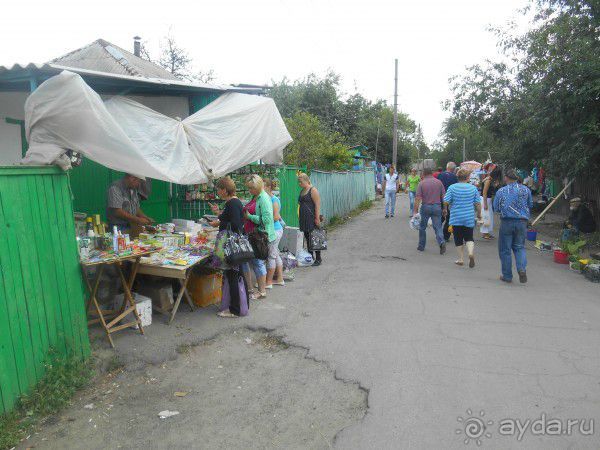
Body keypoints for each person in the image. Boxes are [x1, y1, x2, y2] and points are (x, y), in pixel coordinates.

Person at [209, 177, 248, 318]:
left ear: (225, 190)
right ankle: (239, 306)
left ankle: (235, 310)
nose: (218, 192)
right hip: (236, 245)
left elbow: (235, 224)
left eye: (219, 190)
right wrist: (219, 215)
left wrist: (218, 224)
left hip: (231, 246)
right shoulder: (234, 202)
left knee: (233, 276)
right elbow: (231, 219)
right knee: (237, 275)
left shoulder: (232, 203)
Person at [493, 169, 533, 283]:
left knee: (505, 249)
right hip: (522, 222)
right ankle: (521, 269)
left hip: (507, 222)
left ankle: (507, 276)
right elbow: (530, 204)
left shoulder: (501, 191)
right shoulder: (526, 190)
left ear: (506, 178)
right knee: (519, 247)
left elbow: (496, 208)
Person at [242, 175, 276, 300]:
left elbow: (267, 220)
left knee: (258, 263)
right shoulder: (256, 196)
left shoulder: (264, 199)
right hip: (253, 235)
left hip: (260, 236)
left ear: (258, 186)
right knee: (254, 262)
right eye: (249, 188)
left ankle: (262, 291)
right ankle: (254, 289)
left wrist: (249, 217)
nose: (249, 190)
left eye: (251, 188)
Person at [444, 169, 482, 267]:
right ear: (468, 178)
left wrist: (445, 209)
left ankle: (460, 259)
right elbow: (477, 203)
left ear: (458, 177)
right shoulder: (473, 188)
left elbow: (446, 200)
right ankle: (470, 253)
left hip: (456, 216)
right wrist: (479, 214)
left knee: (458, 237)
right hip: (469, 216)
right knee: (469, 237)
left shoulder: (452, 187)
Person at [413, 167, 446, 254]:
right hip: (437, 207)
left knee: (422, 227)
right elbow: (444, 197)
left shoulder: (421, 183)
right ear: (431, 173)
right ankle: (441, 242)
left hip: (425, 207)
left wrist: (415, 211)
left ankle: (421, 246)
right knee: (438, 227)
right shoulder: (439, 182)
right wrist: (445, 208)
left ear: (423, 174)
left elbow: (418, 198)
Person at [298, 173, 323, 266]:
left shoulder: (313, 190)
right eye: (298, 182)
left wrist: (317, 218)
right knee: (307, 237)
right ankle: (310, 257)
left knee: (314, 238)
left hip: (311, 218)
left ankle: (318, 258)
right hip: (304, 218)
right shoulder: (302, 191)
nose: (299, 184)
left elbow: (317, 204)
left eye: (300, 182)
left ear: (306, 180)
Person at [264, 178, 285, 288]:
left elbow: (276, 217)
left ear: (268, 187)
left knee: (271, 256)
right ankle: (280, 279)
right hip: (274, 230)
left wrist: (263, 220)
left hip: (275, 230)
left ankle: (268, 282)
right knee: (275, 254)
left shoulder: (274, 200)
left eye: (263, 186)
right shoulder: (268, 199)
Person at [437, 162, 458, 241]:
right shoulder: (455, 177)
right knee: (449, 218)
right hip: (450, 200)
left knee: (440, 216)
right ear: (453, 169)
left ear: (447, 167)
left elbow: (437, 186)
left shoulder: (440, 175)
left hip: (440, 198)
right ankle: (446, 236)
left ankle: (438, 232)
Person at [480, 165, 502, 240]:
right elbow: (484, 192)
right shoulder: (488, 180)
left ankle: (487, 232)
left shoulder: (488, 179)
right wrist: (485, 204)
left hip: (487, 199)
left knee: (489, 217)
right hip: (485, 199)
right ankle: (485, 233)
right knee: (486, 216)